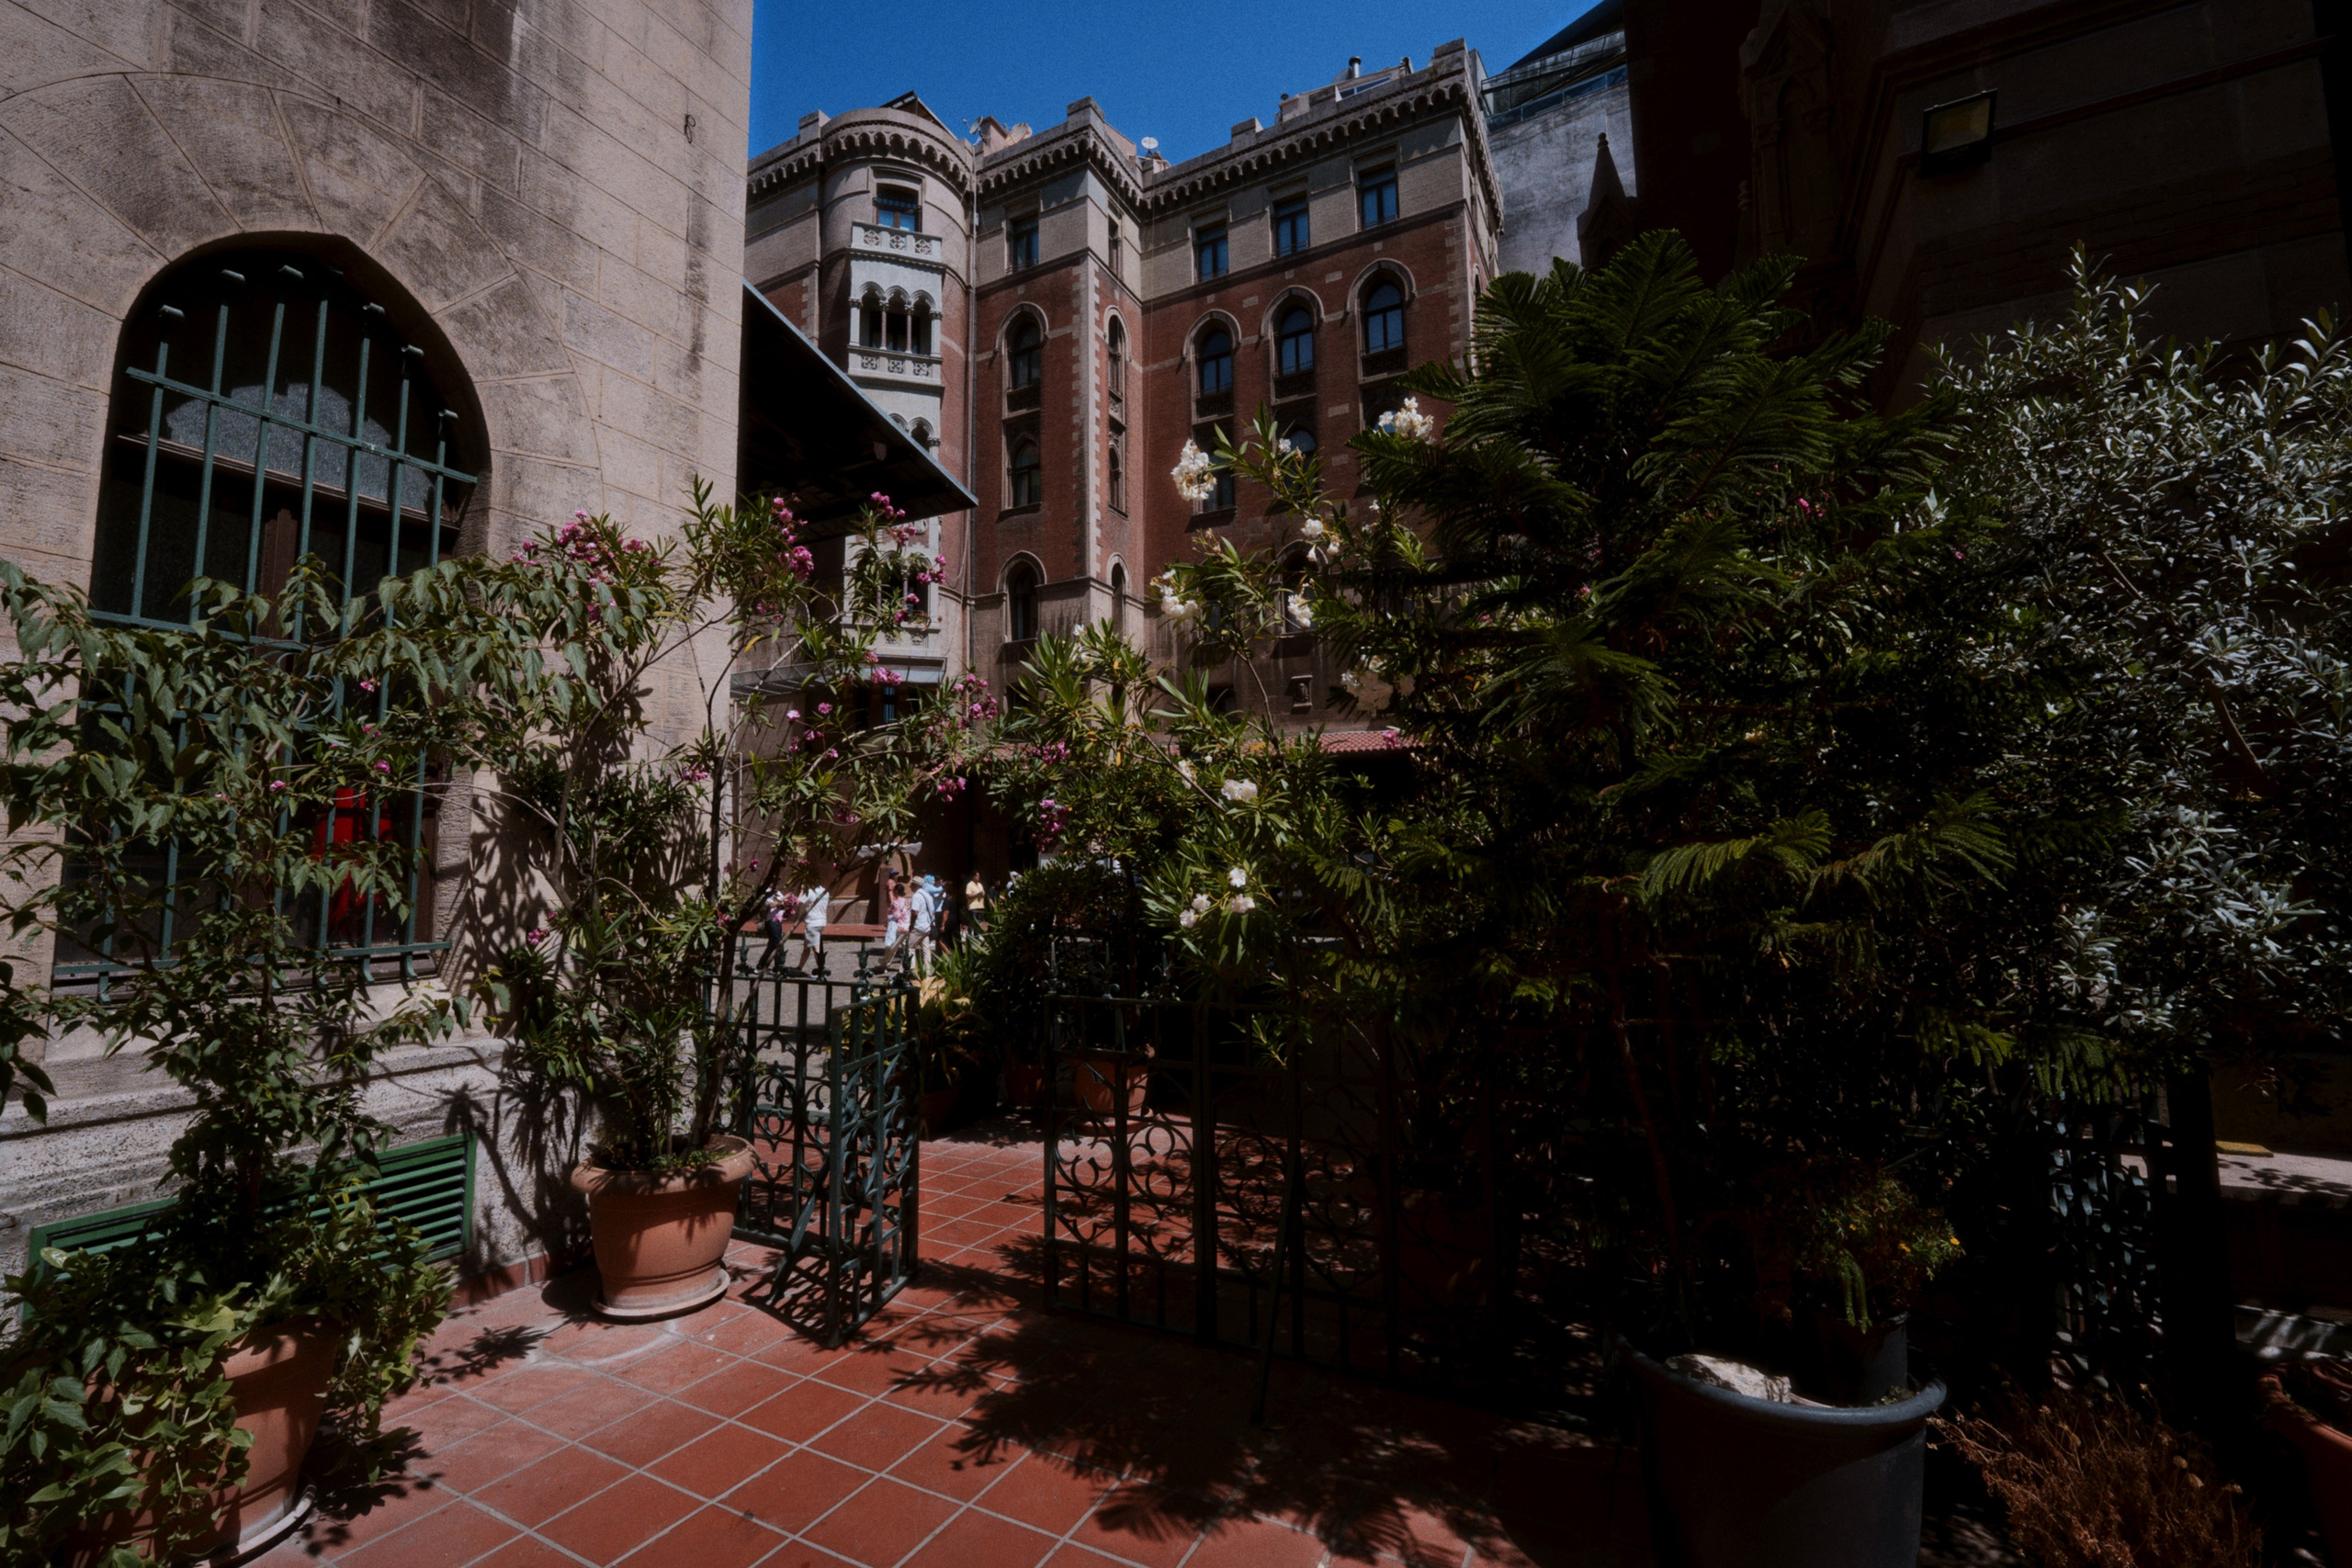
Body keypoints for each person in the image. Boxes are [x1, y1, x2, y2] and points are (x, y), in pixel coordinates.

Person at [798, 878, 830, 973]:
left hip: (812, 923)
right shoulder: (825, 892)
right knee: (807, 947)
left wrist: (801, 891)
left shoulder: (810, 892)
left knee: (816, 948)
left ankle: (821, 969)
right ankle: (799, 967)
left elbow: (798, 902)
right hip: (822, 921)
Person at [910, 874, 941, 969]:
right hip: (927, 926)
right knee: (926, 949)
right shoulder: (928, 896)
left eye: (912, 884)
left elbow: (915, 912)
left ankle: (911, 969)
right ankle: (928, 970)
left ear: (916, 885)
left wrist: (911, 925)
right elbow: (932, 912)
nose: (910, 886)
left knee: (910, 948)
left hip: (918, 926)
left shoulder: (916, 896)